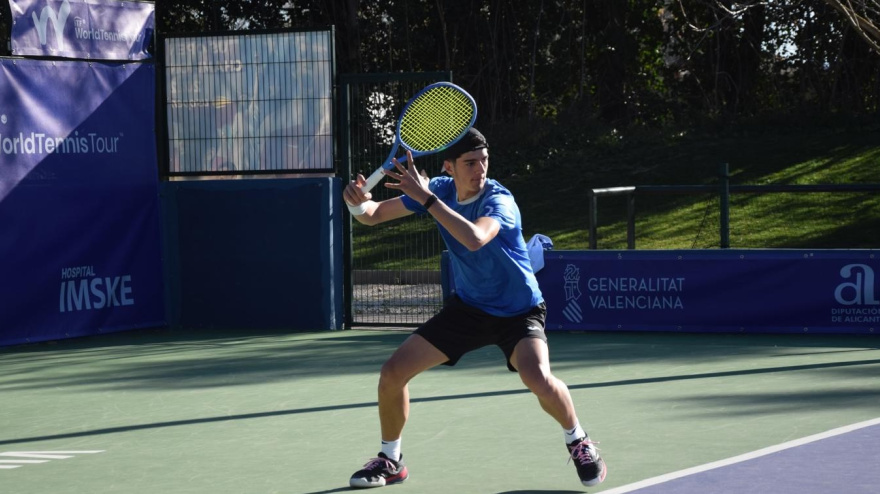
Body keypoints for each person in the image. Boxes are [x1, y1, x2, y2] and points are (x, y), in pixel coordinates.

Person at [343, 128, 606, 489]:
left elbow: (475, 238)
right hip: (469, 309)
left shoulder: (499, 200)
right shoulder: (439, 188)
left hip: (518, 311)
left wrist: (427, 198)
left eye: (484, 159)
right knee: (392, 373)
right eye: (470, 162)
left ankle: (579, 441)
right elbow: (371, 215)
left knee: (538, 378)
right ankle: (391, 460)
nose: (479, 168)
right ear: (449, 167)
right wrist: (356, 201)